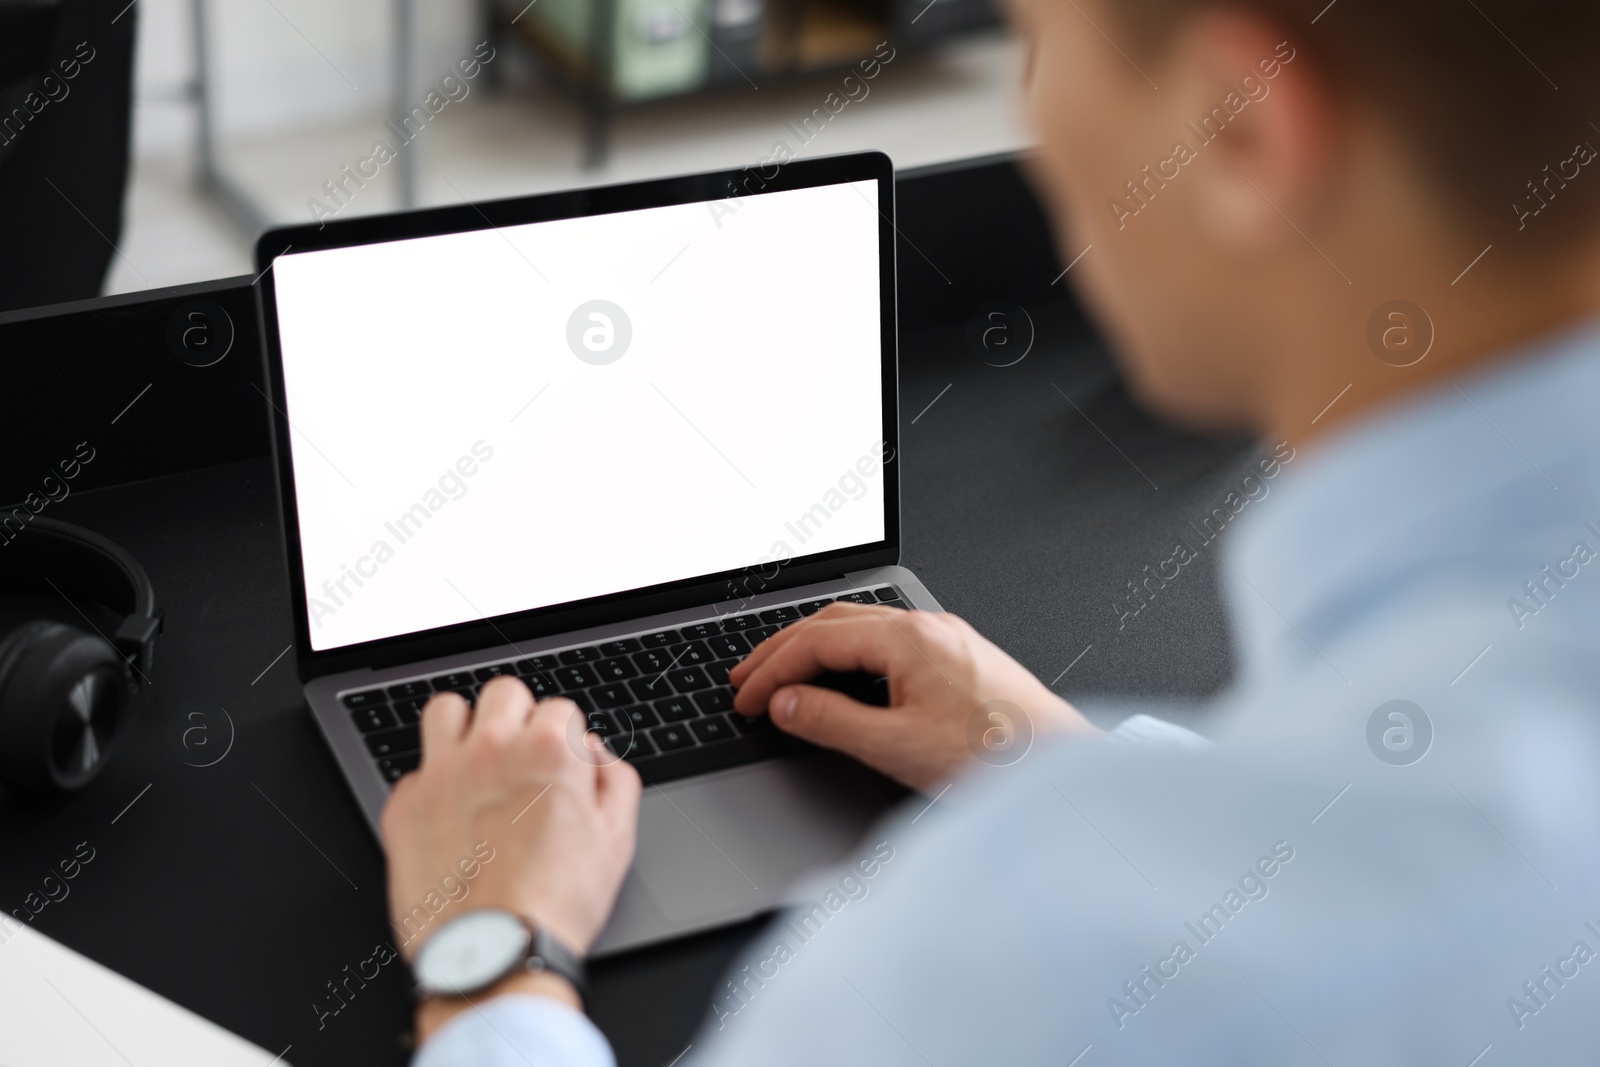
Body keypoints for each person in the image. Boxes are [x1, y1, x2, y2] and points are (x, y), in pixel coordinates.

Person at [387, 0, 1600, 1062]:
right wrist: (1078, 765)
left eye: (1032, 38)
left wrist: (497, 955)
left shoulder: (1018, 960)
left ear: (1242, 130)